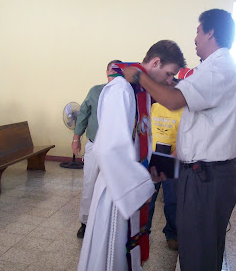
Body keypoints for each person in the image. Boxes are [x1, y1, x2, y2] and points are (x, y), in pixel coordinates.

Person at [123, 9, 236, 271]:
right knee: (200, 247)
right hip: (204, 172)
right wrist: (165, 167)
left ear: (210, 32)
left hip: (207, 177)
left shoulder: (217, 68)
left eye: (198, 31)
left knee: (197, 252)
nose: (195, 38)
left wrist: (137, 75)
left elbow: (171, 100)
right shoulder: (215, 67)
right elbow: (199, 131)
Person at [78, 40, 186, 271]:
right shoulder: (121, 90)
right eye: (169, 74)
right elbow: (108, 150)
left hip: (129, 186)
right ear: (156, 62)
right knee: (112, 256)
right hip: (116, 193)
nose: (169, 82)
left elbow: (139, 144)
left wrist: (161, 168)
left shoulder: (141, 92)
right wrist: (145, 182)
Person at [72, 59, 122, 239]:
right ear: (106, 72)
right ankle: (85, 222)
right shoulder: (95, 91)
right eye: (111, 70)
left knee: (112, 186)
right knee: (89, 183)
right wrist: (76, 138)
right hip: (94, 144)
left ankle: (108, 223)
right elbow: (83, 114)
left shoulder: (125, 92)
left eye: (118, 70)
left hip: (115, 149)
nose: (114, 73)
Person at [147, 101, 183, 251]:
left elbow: (185, 138)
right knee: (147, 199)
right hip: (151, 159)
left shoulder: (183, 110)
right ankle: (143, 232)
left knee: (172, 200)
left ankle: (172, 234)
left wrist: (171, 158)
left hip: (172, 159)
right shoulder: (153, 107)